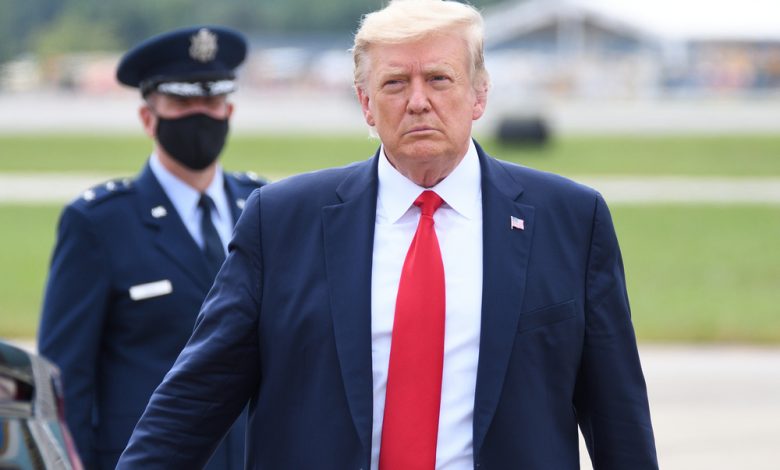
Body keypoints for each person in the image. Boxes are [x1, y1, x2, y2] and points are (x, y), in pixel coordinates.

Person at [117, 1, 658, 468]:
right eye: (395, 83)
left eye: (439, 79)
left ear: (479, 95)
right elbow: (193, 401)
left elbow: (617, 420)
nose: (418, 101)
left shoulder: (569, 219)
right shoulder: (281, 221)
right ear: (366, 105)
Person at [37, 25, 266, 470]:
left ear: (229, 110)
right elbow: (65, 380)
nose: (201, 114)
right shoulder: (100, 223)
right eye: (182, 103)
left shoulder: (262, 209)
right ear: (148, 118)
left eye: (212, 102)